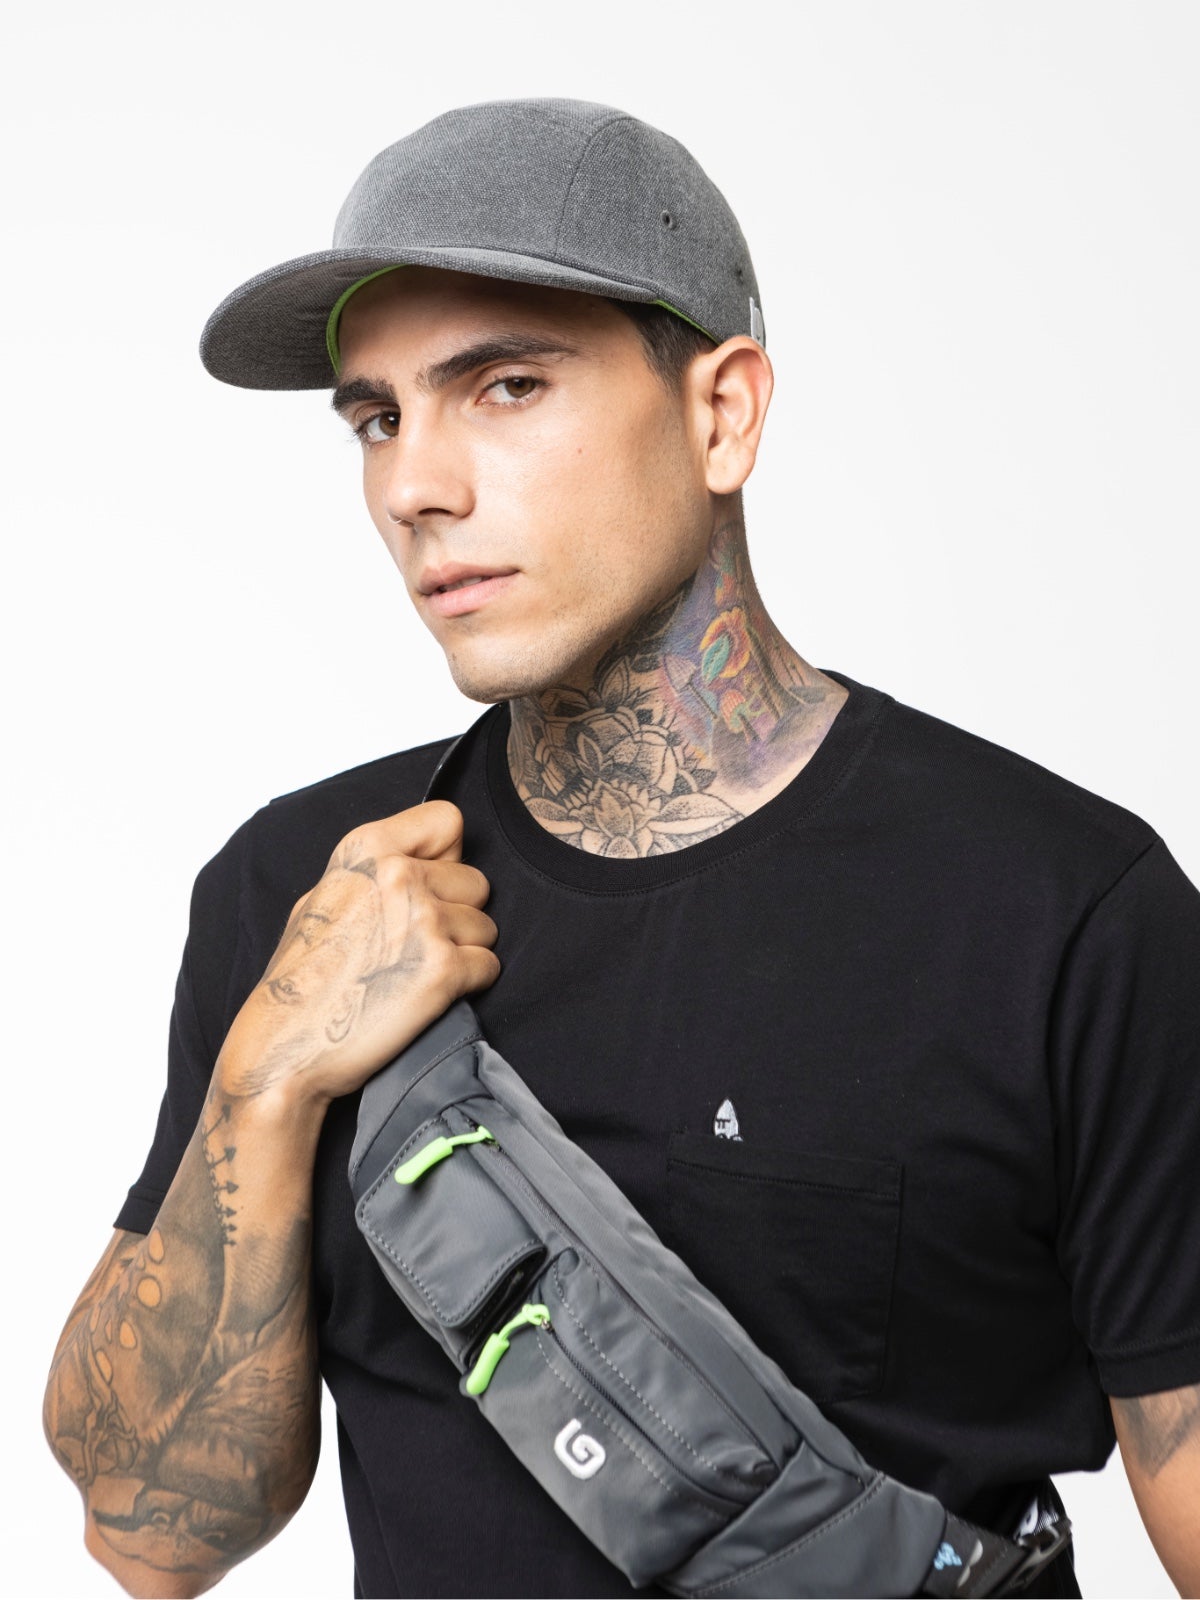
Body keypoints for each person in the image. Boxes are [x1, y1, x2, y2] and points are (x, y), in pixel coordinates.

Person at [43, 98, 1200, 1600]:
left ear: (723, 415)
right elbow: (148, 1536)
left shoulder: (1057, 912)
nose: (413, 486)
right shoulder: (300, 889)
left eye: (506, 386)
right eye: (378, 417)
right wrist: (264, 1086)